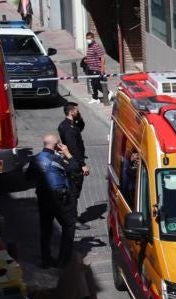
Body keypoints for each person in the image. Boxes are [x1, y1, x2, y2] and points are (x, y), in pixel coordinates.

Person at [27, 134, 79, 268]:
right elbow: (74, 168)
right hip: (59, 199)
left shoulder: (36, 159)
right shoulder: (56, 159)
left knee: (45, 229)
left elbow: (27, 176)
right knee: (68, 226)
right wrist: (68, 154)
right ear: (56, 145)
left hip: (43, 198)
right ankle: (63, 259)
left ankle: (46, 260)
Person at [57, 102, 91, 230]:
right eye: (77, 110)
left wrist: (79, 117)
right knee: (73, 192)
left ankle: (74, 216)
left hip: (75, 162)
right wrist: (82, 165)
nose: (78, 112)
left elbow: (81, 126)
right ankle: (72, 219)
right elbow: (73, 148)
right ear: (71, 112)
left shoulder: (72, 125)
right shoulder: (67, 128)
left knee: (75, 192)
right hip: (74, 163)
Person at [82, 33, 106, 103]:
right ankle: (95, 98)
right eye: (87, 38)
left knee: (96, 83)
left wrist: (102, 69)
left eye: (89, 38)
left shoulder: (95, 46)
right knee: (92, 84)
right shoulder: (90, 45)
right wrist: (87, 60)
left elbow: (102, 57)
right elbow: (92, 56)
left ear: (93, 38)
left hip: (96, 68)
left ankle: (107, 93)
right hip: (90, 68)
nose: (88, 40)